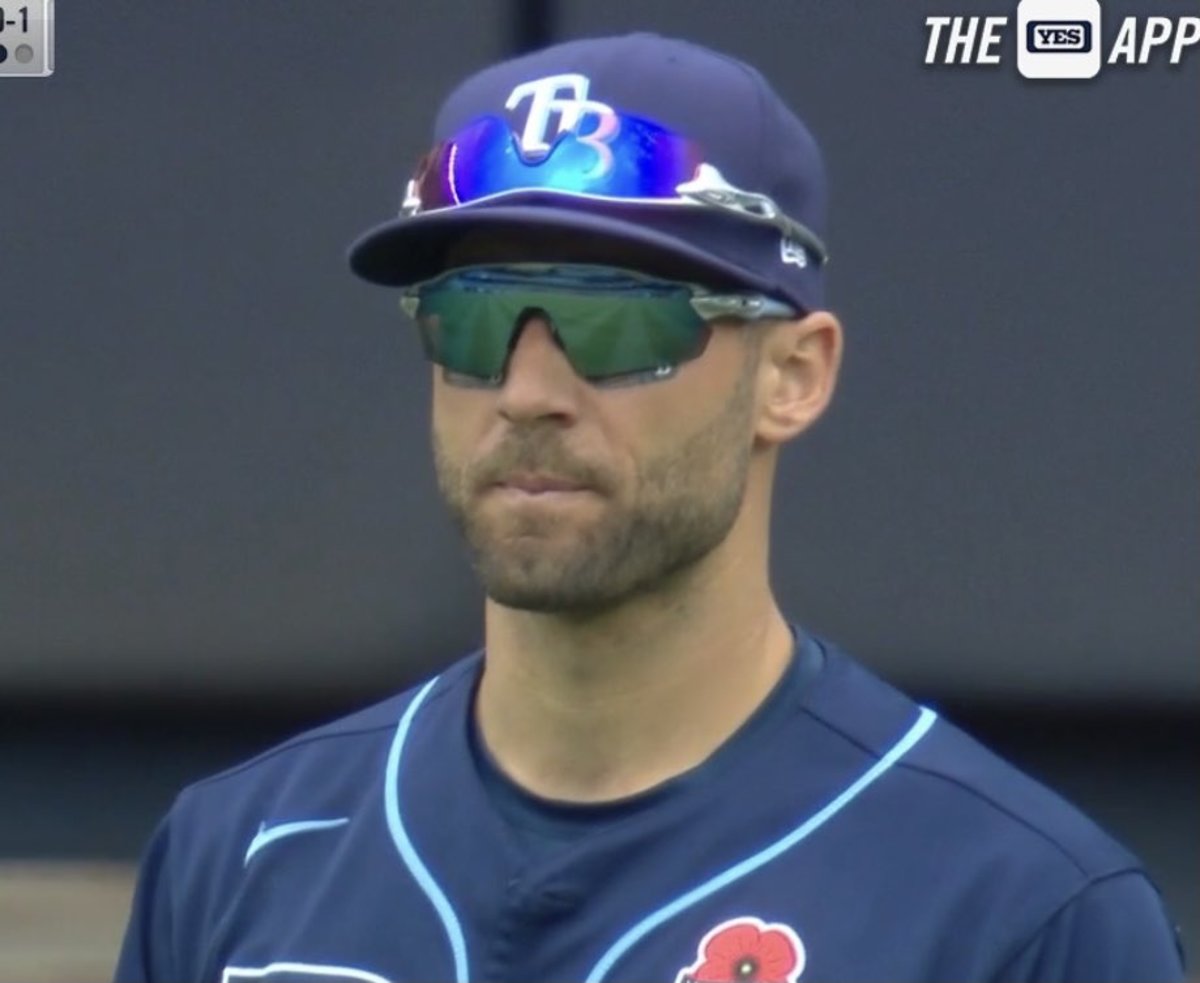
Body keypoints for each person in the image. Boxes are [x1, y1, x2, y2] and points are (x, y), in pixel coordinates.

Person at [114, 32, 1185, 983]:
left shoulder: (1020, 910)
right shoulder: (238, 848)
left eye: (617, 323)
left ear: (793, 375)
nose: (530, 393)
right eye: (473, 322)